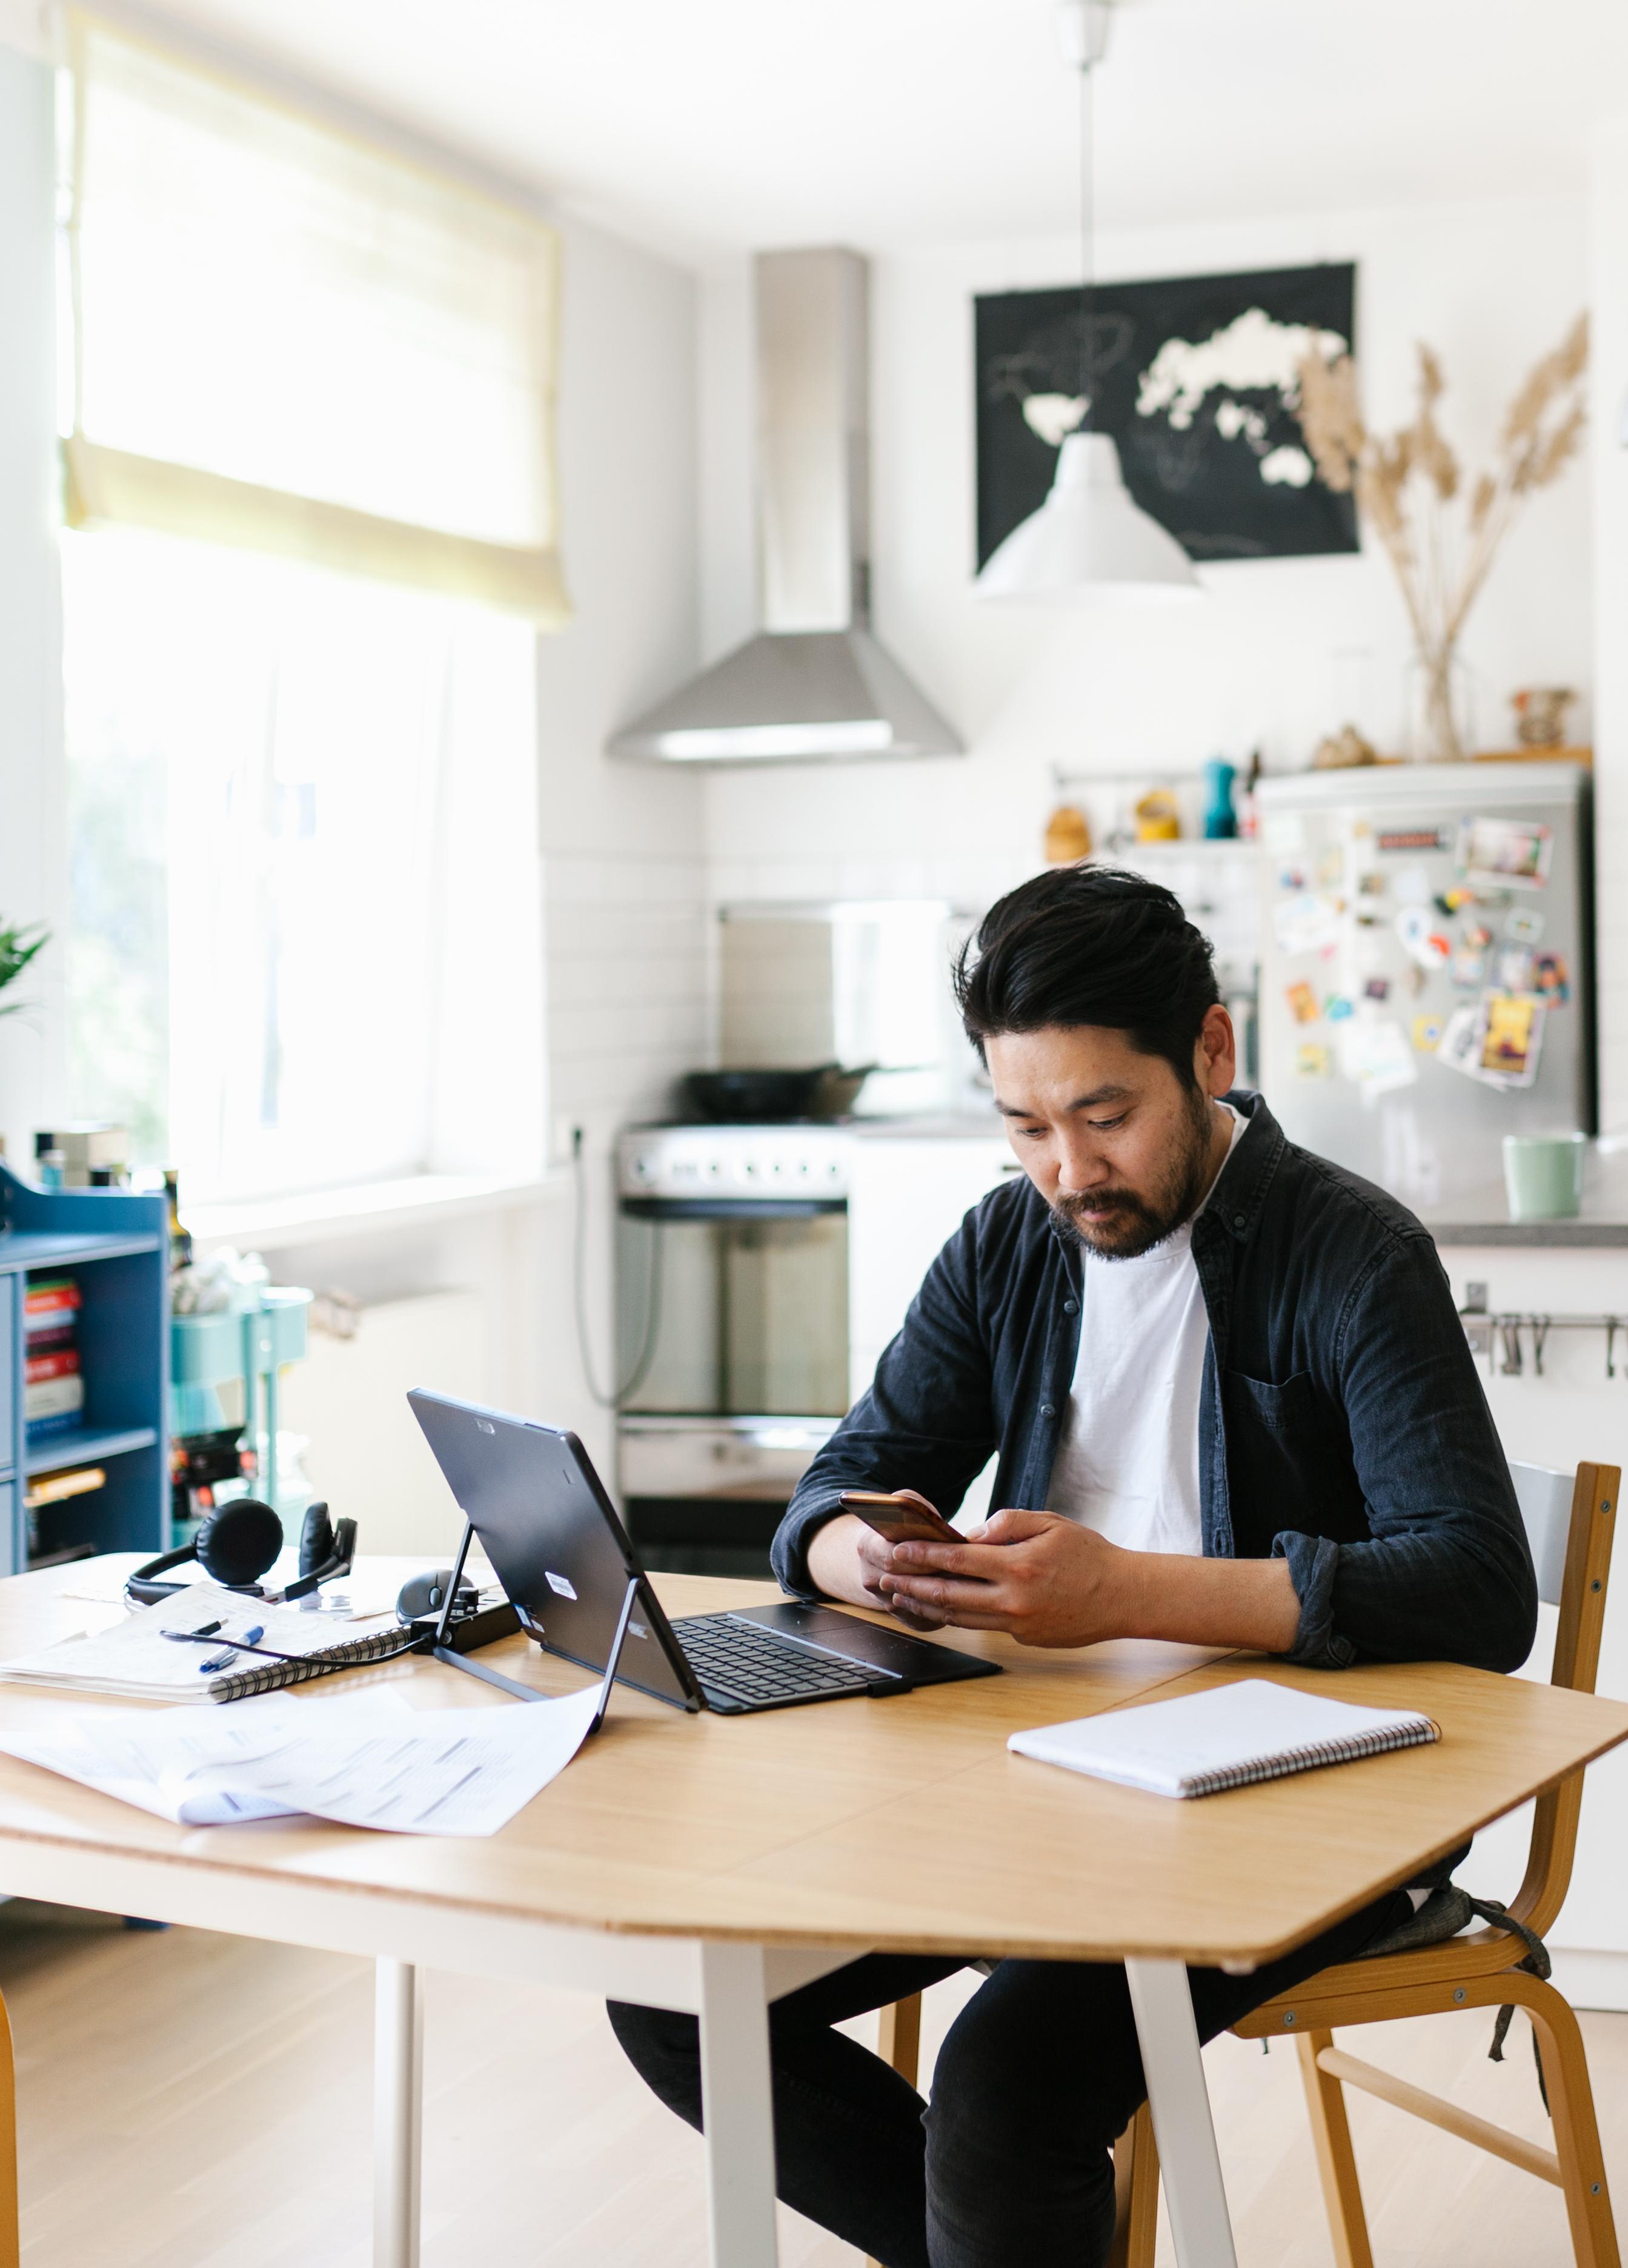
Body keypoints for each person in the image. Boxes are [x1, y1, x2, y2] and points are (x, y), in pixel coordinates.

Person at [607, 864, 1535, 2268]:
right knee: (674, 1985)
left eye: (1107, 1116)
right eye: (1028, 1125)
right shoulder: (1009, 1245)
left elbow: (1478, 1587)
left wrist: (1127, 1597)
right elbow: (828, 1490)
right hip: (1032, 1775)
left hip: (1300, 1795)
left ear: (1211, 1054)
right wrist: (865, 1549)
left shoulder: (1351, 1253)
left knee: (1001, 2094)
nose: (1068, 1170)